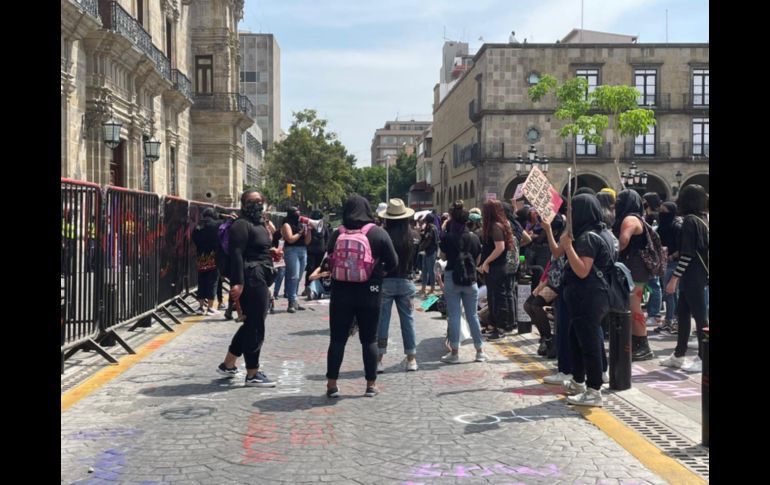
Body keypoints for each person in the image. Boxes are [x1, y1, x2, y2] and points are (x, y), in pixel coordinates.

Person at [325, 195, 398, 398]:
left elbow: (329, 258)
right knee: (369, 340)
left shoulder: (337, 233)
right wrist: (378, 273)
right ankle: (370, 385)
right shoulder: (378, 233)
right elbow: (393, 261)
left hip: (341, 293)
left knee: (337, 339)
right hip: (370, 292)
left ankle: (331, 384)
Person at [216, 190, 278, 387]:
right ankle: (252, 373)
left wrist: (272, 252)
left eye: (259, 201)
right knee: (255, 325)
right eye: (251, 201)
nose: (256, 204)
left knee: (252, 323)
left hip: (259, 275)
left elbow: (258, 248)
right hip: (251, 277)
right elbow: (237, 254)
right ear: (243, 204)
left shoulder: (259, 223)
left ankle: (228, 364)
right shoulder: (241, 225)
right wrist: (238, 283)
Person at [559, 194, 615, 407]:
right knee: (576, 338)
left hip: (588, 296)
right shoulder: (604, 232)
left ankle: (593, 390)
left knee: (589, 344)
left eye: (572, 211)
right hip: (593, 295)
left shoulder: (587, 238)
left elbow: (582, 270)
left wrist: (568, 247)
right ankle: (578, 381)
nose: (569, 216)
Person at [662, 185, 709, 373]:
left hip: (692, 275)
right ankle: (679, 354)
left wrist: (674, 278)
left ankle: (703, 357)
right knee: (683, 313)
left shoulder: (689, 221)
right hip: (698, 274)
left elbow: (687, 254)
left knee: (700, 317)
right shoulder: (703, 219)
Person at [439, 200, 488, 364]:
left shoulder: (447, 237)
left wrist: (443, 231)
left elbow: (443, 256)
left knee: (454, 316)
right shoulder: (474, 237)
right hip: (470, 279)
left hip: (452, 277)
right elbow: (478, 259)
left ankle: (454, 352)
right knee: (472, 315)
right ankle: (479, 351)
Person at [376, 199, 419, 372]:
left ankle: (378, 359)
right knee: (408, 321)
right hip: (406, 280)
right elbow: (416, 261)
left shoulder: (383, 235)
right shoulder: (414, 235)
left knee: (382, 321)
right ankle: (411, 359)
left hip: (386, 280)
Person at [613, 190, 654, 361]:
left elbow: (623, 242)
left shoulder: (629, 219)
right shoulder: (637, 218)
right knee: (631, 306)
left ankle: (643, 345)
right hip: (635, 268)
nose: (616, 203)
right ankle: (636, 342)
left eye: (619, 200)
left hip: (634, 268)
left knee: (634, 305)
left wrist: (610, 251)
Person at [191, 208, 221, 315]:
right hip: (213, 258)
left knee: (202, 282)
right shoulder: (216, 225)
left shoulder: (198, 226)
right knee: (212, 282)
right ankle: (210, 307)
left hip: (201, 258)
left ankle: (200, 307)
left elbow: (194, 238)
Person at [281, 207, 311, 313]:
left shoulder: (301, 225)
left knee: (298, 277)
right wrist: (300, 233)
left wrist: (309, 230)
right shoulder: (286, 225)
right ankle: (291, 302)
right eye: (296, 213)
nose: (298, 215)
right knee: (294, 276)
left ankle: (295, 300)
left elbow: (307, 242)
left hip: (303, 250)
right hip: (291, 251)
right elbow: (290, 239)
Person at [304, 210, 329, 298]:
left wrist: (325, 248)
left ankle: (314, 287)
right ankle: (307, 286)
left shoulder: (324, 226)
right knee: (310, 268)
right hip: (311, 251)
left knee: (318, 268)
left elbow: (327, 237)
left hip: (320, 252)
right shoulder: (310, 226)